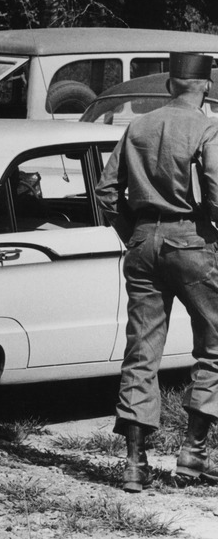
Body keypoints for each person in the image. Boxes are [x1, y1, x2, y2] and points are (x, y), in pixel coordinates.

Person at [95, 52, 218, 493]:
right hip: (192, 242)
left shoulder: (138, 125)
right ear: (205, 87)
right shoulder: (207, 127)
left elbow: (107, 190)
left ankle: (134, 464)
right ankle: (193, 452)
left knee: (142, 349)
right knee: (215, 344)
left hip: (143, 242)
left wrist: (135, 233)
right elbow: (217, 193)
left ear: (170, 84)